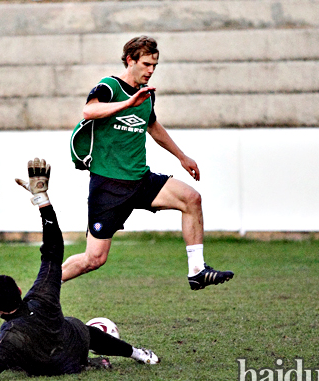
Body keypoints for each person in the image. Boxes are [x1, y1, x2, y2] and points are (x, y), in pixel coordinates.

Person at [0, 158, 159, 381]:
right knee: (78, 327)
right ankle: (137, 354)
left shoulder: (10, 337)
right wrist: (42, 200)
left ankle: (92, 361)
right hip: (74, 351)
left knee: (11, 358)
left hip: (54, 368)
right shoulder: (42, 294)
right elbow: (53, 246)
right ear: (18, 289)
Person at [67, 36, 234, 290]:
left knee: (191, 198)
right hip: (108, 186)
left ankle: (197, 271)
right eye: (146, 64)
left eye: (155, 65)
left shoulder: (147, 95)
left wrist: (182, 156)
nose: (151, 70)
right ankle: (43, 288)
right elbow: (89, 111)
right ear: (130, 60)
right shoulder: (110, 87)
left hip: (140, 180)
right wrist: (128, 103)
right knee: (94, 259)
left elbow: (152, 126)